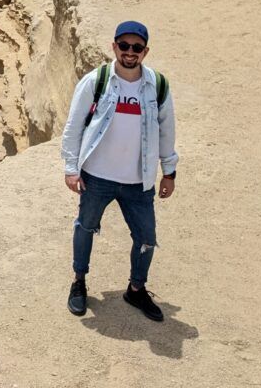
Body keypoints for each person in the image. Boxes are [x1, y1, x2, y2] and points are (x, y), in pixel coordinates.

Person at [60, 20, 177, 321]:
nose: (129, 52)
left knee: (146, 237)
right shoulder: (96, 80)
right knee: (85, 227)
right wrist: (71, 168)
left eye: (136, 47)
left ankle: (136, 290)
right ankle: (79, 282)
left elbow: (167, 131)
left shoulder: (157, 85)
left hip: (139, 181)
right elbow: (73, 126)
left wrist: (169, 171)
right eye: (123, 45)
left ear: (145, 51)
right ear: (114, 47)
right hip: (97, 176)